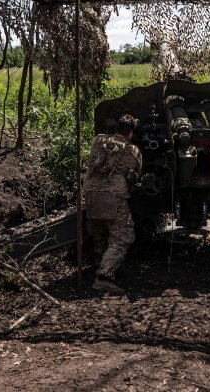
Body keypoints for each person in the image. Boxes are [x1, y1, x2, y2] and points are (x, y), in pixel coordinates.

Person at [84, 114, 143, 294]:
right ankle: (104, 276)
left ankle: (101, 261)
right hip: (113, 197)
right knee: (123, 237)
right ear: (131, 133)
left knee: (99, 231)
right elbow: (135, 177)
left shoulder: (98, 140)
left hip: (91, 194)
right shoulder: (133, 151)